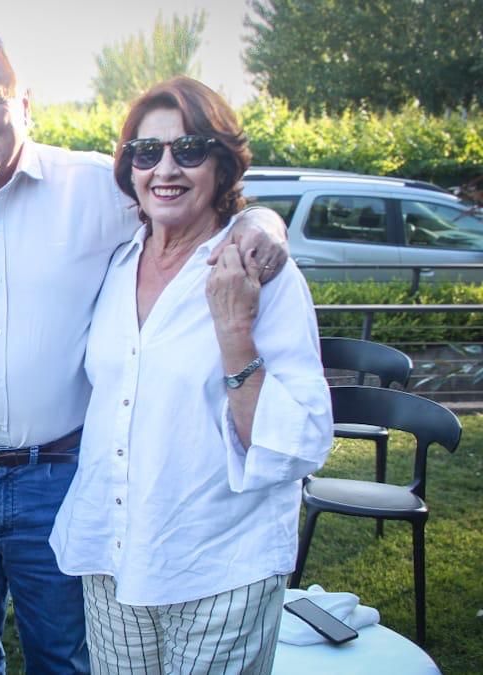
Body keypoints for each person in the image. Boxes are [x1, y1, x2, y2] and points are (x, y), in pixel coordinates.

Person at [0, 31, 292, 674]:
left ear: (25, 104)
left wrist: (260, 223)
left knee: (65, 656)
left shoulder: (98, 190)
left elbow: (194, 200)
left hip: (64, 472)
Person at [49, 76, 333, 673]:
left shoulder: (258, 271)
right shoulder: (119, 261)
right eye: (146, 153)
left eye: (190, 149)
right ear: (129, 169)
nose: (165, 168)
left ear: (223, 165)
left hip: (219, 567)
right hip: (114, 555)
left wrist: (234, 335)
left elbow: (300, 441)